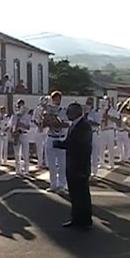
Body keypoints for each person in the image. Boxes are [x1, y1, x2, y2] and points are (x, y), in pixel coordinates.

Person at [54, 102, 93, 230]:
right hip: (72, 165)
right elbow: (69, 142)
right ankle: (76, 219)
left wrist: (60, 144)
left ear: (77, 112)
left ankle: (85, 220)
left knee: (82, 194)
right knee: (74, 194)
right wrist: (59, 143)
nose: (67, 114)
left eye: (69, 111)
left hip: (80, 166)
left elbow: (78, 145)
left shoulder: (84, 126)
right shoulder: (73, 126)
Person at [44, 91, 70, 192]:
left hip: (61, 137)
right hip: (50, 137)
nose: (56, 100)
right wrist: (47, 118)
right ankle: (53, 184)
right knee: (51, 164)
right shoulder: (48, 110)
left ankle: (62, 185)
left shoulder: (63, 111)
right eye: (54, 99)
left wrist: (57, 122)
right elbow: (44, 124)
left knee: (62, 163)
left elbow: (67, 124)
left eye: (58, 99)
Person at [8, 99, 32, 176]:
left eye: (21, 105)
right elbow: (11, 126)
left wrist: (21, 124)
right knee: (17, 154)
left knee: (25, 153)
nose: (20, 106)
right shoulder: (14, 116)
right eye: (19, 105)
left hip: (24, 134)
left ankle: (26, 169)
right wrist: (12, 134)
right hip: (16, 135)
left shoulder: (27, 116)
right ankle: (18, 169)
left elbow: (28, 127)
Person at [98, 96, 117, 169]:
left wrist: (108, 117)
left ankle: (111, 163)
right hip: (102, 129)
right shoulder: (100, 110)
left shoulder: (113, 110)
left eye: (107, 100)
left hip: (110, 129)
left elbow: (116, 119)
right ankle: (101, 162)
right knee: (101, 147)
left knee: (110, 147)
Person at [84, 97, 101, 176]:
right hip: (85, 134)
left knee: (94, 152)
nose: (89, 105)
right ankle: (87, 170)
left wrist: (89, 122)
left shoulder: (95, 113)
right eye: (88, 103)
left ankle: (94, 171)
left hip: (93, 133)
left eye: (90, 103)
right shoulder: (83, 112)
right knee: (86, 153)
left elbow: (98, 124)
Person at [32, 96, 48, 169]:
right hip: (38, 129)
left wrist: (45, 125)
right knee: (39, 147)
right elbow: (34, 119)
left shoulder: (49, 109)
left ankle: (47, 163)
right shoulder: (37, 109)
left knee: (47, 147)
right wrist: (38, 125)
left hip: (46, 129)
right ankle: (40, 162)